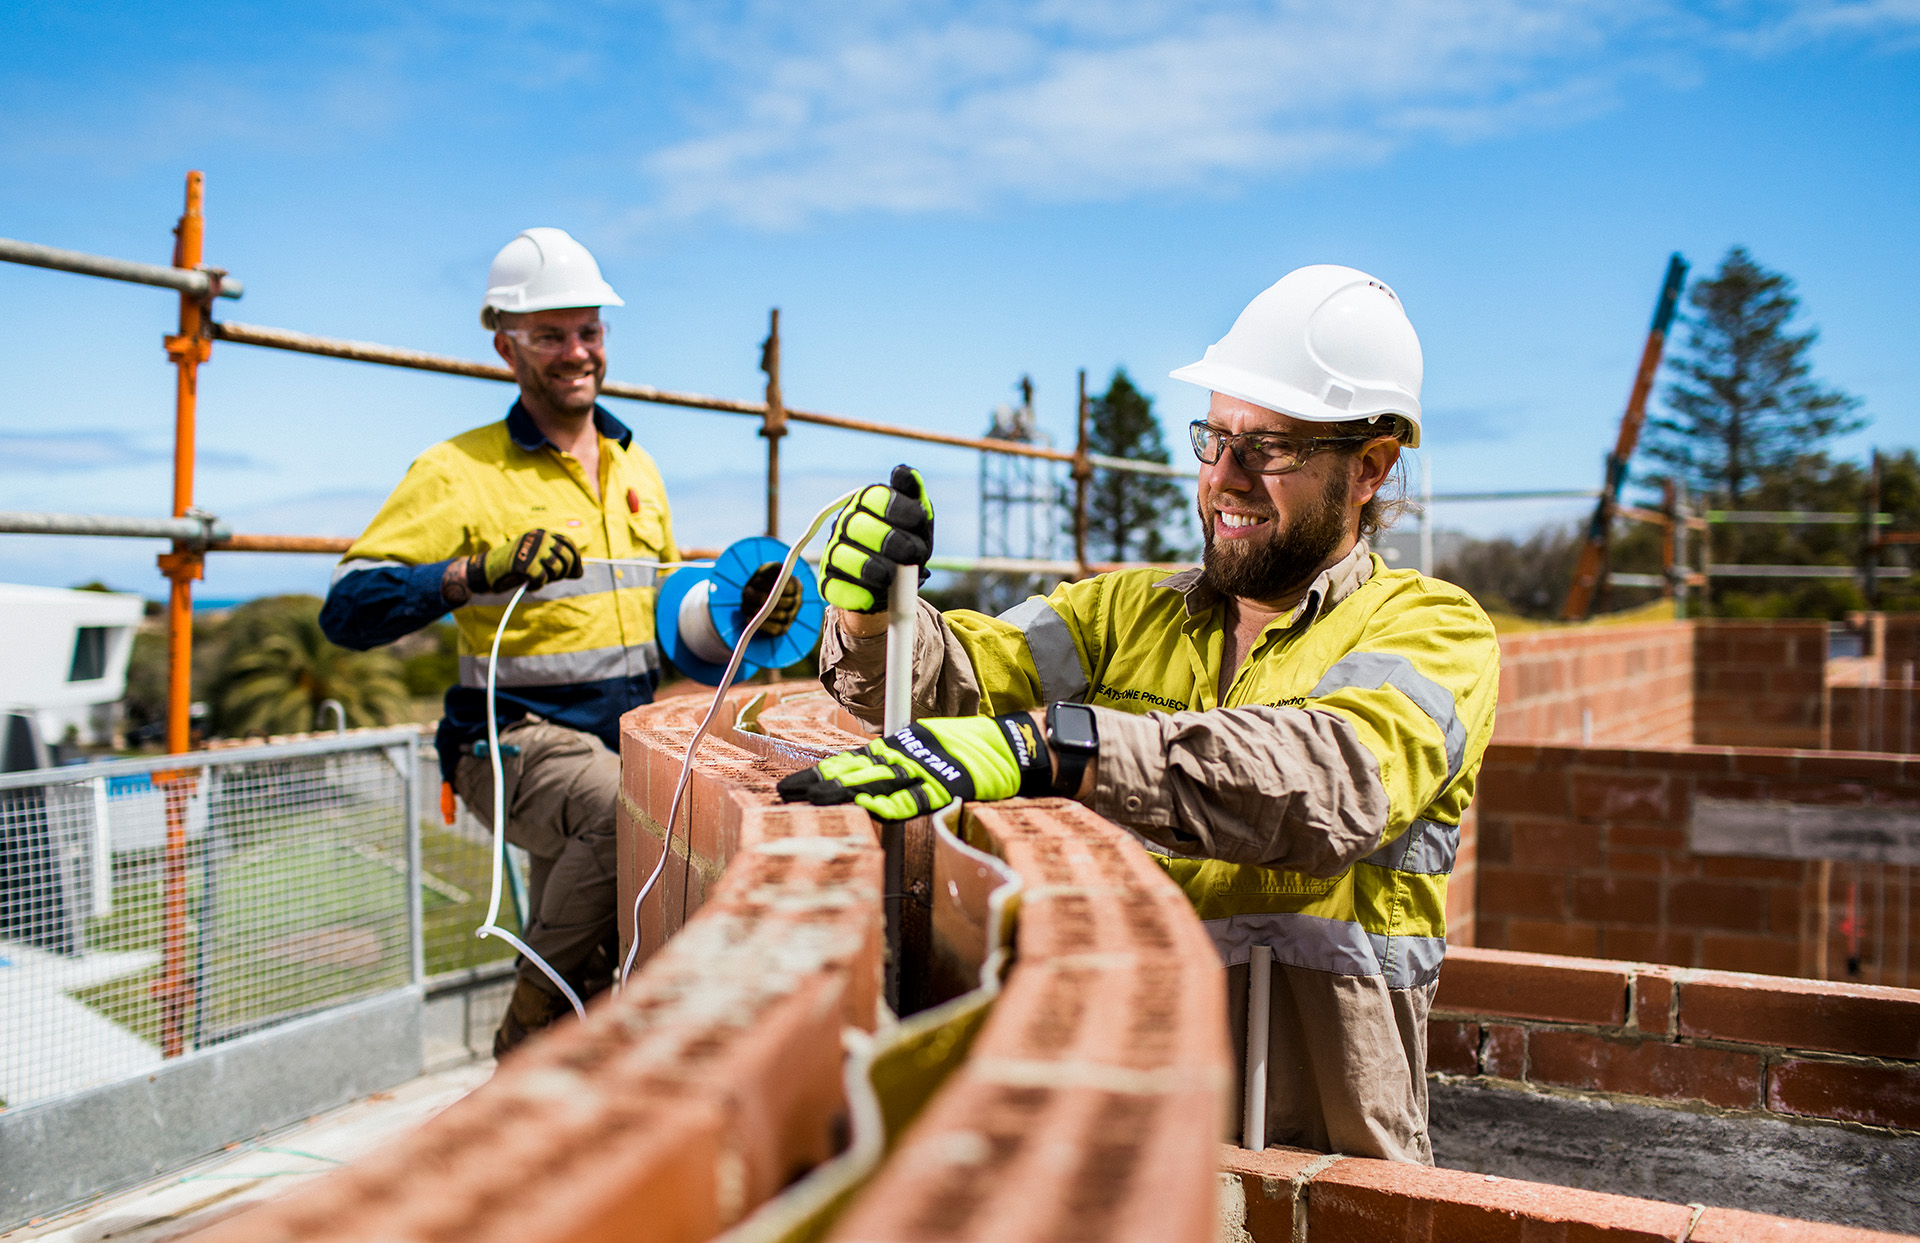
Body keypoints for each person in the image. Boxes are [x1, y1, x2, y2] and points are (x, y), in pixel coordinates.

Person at [779, 265, 1499, 1163]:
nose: (1225, 479)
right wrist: (874, 612)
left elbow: (1334, 779)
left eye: (1269, 448)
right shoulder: (1125, 614)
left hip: (1323, 1164)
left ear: (1371, 467)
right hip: (1121, 1131)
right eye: (1214, 438)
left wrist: (1059, 749)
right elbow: (954, 678)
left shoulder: (1434, 629)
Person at [321, 228, 694, 1054]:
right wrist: (470, 573)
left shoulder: (639, 469)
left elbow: (677, 626)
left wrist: (744, 613)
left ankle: (555, 1099)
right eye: (551, 334)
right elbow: (347, 612)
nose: (576, 352)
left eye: (589, 331)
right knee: (632, 809)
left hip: (614, 741)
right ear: (506, 346)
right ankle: (522, 1033)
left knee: (605, 965)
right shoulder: (458, 471)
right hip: (511, 743)